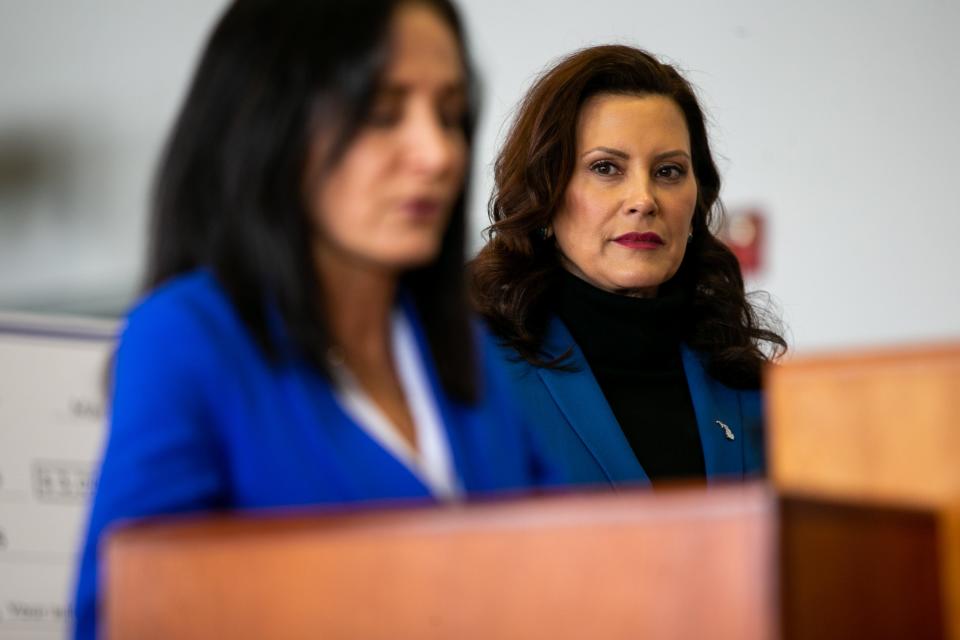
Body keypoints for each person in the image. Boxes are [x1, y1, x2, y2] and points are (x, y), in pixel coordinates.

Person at [73, 1, 562, 637]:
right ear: (273, 127)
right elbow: (123, 619)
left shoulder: (463, 350)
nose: (438, 153)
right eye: (382, 114)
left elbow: (559, 573)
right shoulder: (187, 339)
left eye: (449, 115)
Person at [471, 45, 786, 489]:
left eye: (669, 171)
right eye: (606, 168)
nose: (643, 199)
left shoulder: (746, 385)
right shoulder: (476, 378)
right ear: (546, 191)